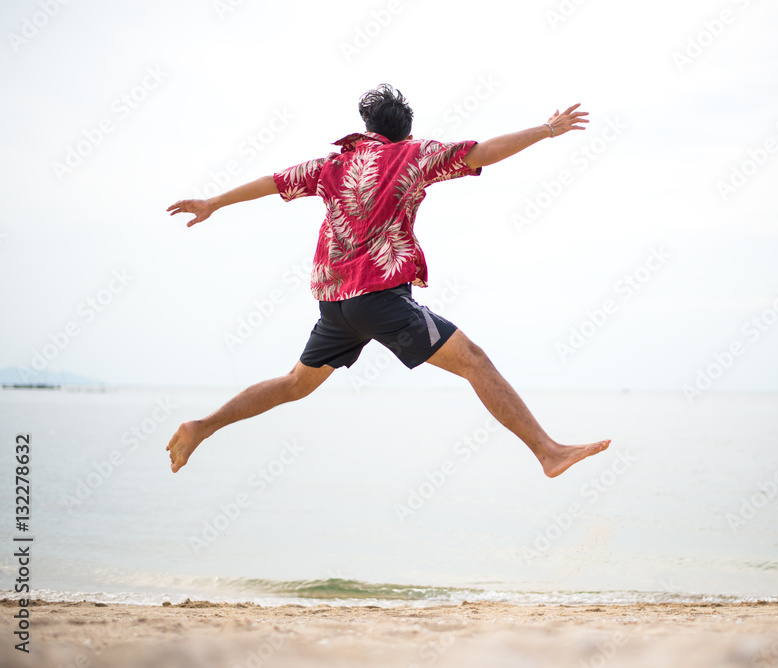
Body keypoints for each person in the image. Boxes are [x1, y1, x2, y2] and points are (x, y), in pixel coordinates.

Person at [165, 84, 609, 478]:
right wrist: (547, 130)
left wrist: (214, 202)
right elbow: (484, 152)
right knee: (474, 360)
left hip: (335, 305)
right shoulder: (412, 155)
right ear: (406, 132)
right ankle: (548, 453)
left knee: (294, 384)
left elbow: (273, 181)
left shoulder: (331, 165)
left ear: (367, 126)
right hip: (379, 297)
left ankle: (202, 427)